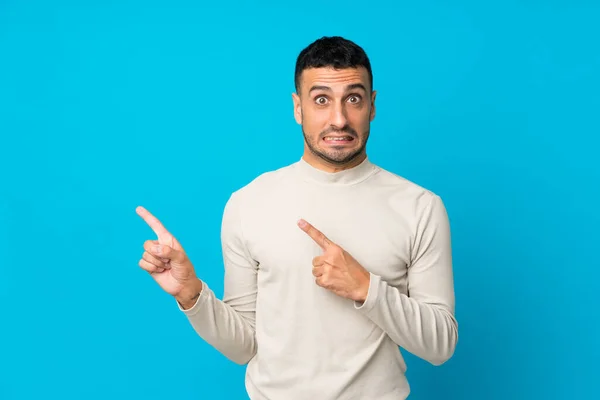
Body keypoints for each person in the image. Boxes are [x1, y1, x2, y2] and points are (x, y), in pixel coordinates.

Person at [136, 36, 458, 399]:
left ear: (372, 106)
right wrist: (191, 293)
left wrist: (366, 288)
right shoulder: (248, 203)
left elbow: (440, 345)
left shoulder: (419, 206)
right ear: (297, 107)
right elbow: (244, 345)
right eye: (321, 100)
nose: (339, 119)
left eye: (353, 98)